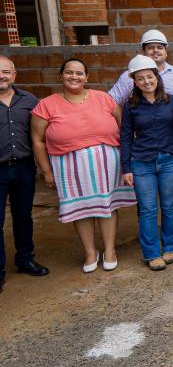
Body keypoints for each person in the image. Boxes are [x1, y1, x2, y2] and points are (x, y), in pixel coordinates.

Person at [31, 58, 136, 273]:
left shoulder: (104, 99)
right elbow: (37, 140)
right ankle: (90, 252)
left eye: (79, 73)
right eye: (69, 72)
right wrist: (46, 171)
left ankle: (109, 251)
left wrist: (129, 161)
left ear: (87, 77)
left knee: (107, 206)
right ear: (60, 76)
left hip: (107, 164)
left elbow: (124, 128)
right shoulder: (46, 105)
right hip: (68, 166)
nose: (74, 77)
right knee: (81, 209)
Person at [108, 29, 173, 238]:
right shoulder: (128, 77)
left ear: (166, 51)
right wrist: (128, 126)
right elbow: (110, 102)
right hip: (144, 141)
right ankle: (147, 228)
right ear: (143, 51)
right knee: (147, 200)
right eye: (150, 47)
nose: (155, 51)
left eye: (159, 47)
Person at [119, 55, 173, 271]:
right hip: (142, 163)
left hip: (169, 160)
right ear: (135, 82)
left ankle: (170, 247)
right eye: (140, 79)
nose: (146, 81)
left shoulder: (172, 101)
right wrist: (126, 168)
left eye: (149, 76)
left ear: (157, 77)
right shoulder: (131, 106)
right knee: (147, 209)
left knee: (168, 206)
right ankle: (151, 253)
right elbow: (126, 136)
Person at [0, 55, 48, 292]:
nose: (2, 76)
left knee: (23, 216)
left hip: (23, 168)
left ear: (14, 75)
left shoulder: (29, 100)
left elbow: (41, 133)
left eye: (6, 72)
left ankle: (25, 259)